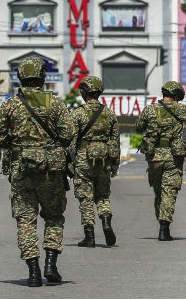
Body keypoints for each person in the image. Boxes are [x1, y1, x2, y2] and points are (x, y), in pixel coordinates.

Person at [0, 57, 75, 287]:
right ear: (42, 77)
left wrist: (16, 143)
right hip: (51, 170)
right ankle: (51, 263)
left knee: (25, 220)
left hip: (22, 170)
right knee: (54, 216)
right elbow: (68, 134)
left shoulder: (10, 104)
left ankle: (33, 272)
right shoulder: (55, 103)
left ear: (20, 77)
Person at [135, 80, 186, 241]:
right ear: (176, 96)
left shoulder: (150, 109)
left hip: (154, 157)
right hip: (173, 156)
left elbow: (138, 127)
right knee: (169, 192)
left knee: (158, 191)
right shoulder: (180, 109)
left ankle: (161, 221)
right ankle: (164, 228)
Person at [71, 75, 120, 247]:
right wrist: (115, 164)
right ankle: (106, 222)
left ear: (84, 93)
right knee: (103, 195)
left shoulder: (78, 113)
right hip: (104, 160)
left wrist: (71, 163)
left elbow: (71, 140)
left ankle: (89, 236)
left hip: (84, 159)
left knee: (85, 198)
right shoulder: (109, 114)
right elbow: (115, 141)